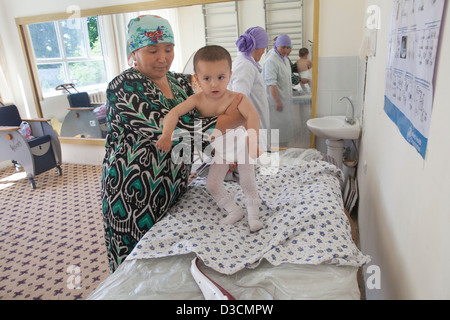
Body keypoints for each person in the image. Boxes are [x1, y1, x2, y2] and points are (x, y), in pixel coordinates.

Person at [101, 15, 244, 272]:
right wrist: (229, 127)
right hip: (135, 190)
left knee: (169, 261)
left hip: (174, 183)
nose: (162, 58)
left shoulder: (180, 82)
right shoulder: (124, 86)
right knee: (138, 264)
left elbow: (203, 116)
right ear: (133, 52)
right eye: (152, 50)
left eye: (168, 49)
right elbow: (174, 132)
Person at [157, 45, 264, 232]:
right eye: (207, 79)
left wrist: (252, 142)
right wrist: (167, 135)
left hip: (242, 146)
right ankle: (234, 210)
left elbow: (253, 116)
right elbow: (173, 113)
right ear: (197, 79)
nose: (214, 84)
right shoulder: (197, 100)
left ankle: (253, 216)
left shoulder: (236, 98)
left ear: (230, 76)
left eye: (221, 78)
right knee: (212, 184)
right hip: (221, 150)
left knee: (247, 180)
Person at [228, 26, 271, 150]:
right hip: (251, 132)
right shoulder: (245, 66)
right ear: (256, 48)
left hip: (255, 128)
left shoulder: (248, 64)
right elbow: (239, 102)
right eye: (263, 48)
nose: (263, 52)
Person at [262, 34, 294, 147]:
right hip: (275, 104)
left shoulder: (285, 60)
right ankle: (275, 157)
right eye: (283, 47)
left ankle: (283, 155)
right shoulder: (271, 61)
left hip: (284, 102)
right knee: (275, 132)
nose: (285, 50)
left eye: (287, 47)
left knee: (284, 131)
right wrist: (277, 102)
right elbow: (271, 84)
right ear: (276, 45)